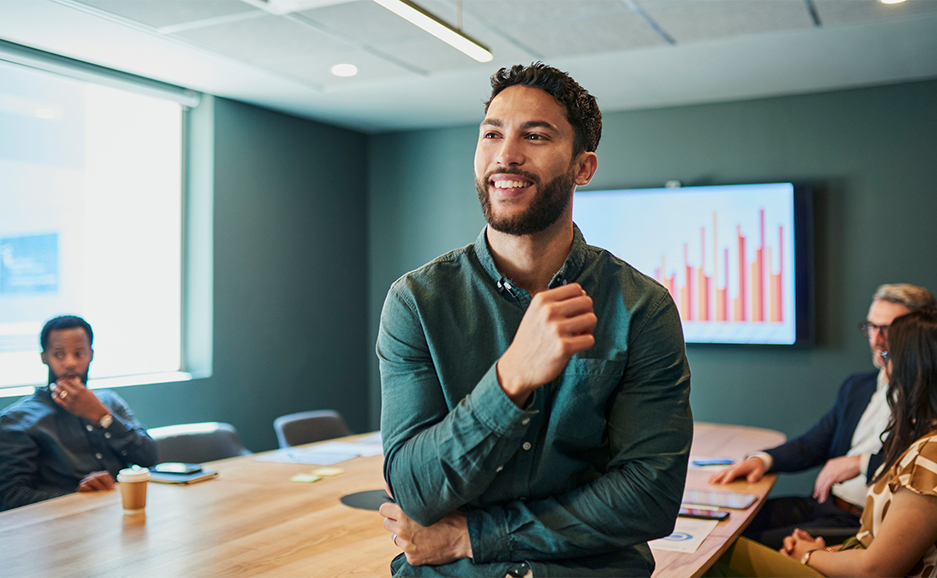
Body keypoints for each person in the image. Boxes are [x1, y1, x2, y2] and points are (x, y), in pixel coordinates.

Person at [377, 62, 692, 577]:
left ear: (583, 168)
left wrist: (474, 536)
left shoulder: (641, 308)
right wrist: (511, 380)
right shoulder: (416, 302)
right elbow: (414, 490)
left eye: (536, 135)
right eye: (492, 134)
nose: (506, 154)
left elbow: (649, 497)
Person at [711, 307, 937, 577]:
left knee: (716, 552)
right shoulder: (911, 429)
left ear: (914, 369)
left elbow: (875, 569)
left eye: (891, 354)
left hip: (852, 542)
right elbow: (872, 545)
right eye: (871, 328)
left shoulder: (929, 454)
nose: (880, 348)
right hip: (840, 534)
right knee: (724, 531)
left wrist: (808, 556)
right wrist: (823, 552)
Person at [0, 315, 158, 511]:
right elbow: (8, 497)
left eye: (79, 353)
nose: (70, 363)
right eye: (59, 354)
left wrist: (103, 417)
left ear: (91, 354)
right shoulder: (18, 420)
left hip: (122, 511)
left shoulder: (108, 402)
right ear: (44, 357)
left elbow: (149, 458)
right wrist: (77, 496)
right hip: (64, 522)